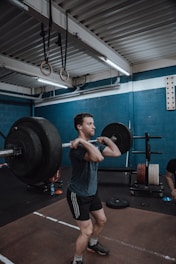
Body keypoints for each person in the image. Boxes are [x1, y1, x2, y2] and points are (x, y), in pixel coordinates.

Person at [67, 113, 121, 264]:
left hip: (92, 192)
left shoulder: (92, 144)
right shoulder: (76, 148)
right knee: (87, 231)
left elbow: (116, 153)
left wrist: (107, 140)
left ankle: (93, 244)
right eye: (89, 124)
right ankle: (77, 260)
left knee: (102, 220)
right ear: (79, 126)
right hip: (78, 195)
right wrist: (83, 143)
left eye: (93, 123)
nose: (94, 126)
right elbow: (98, 157)